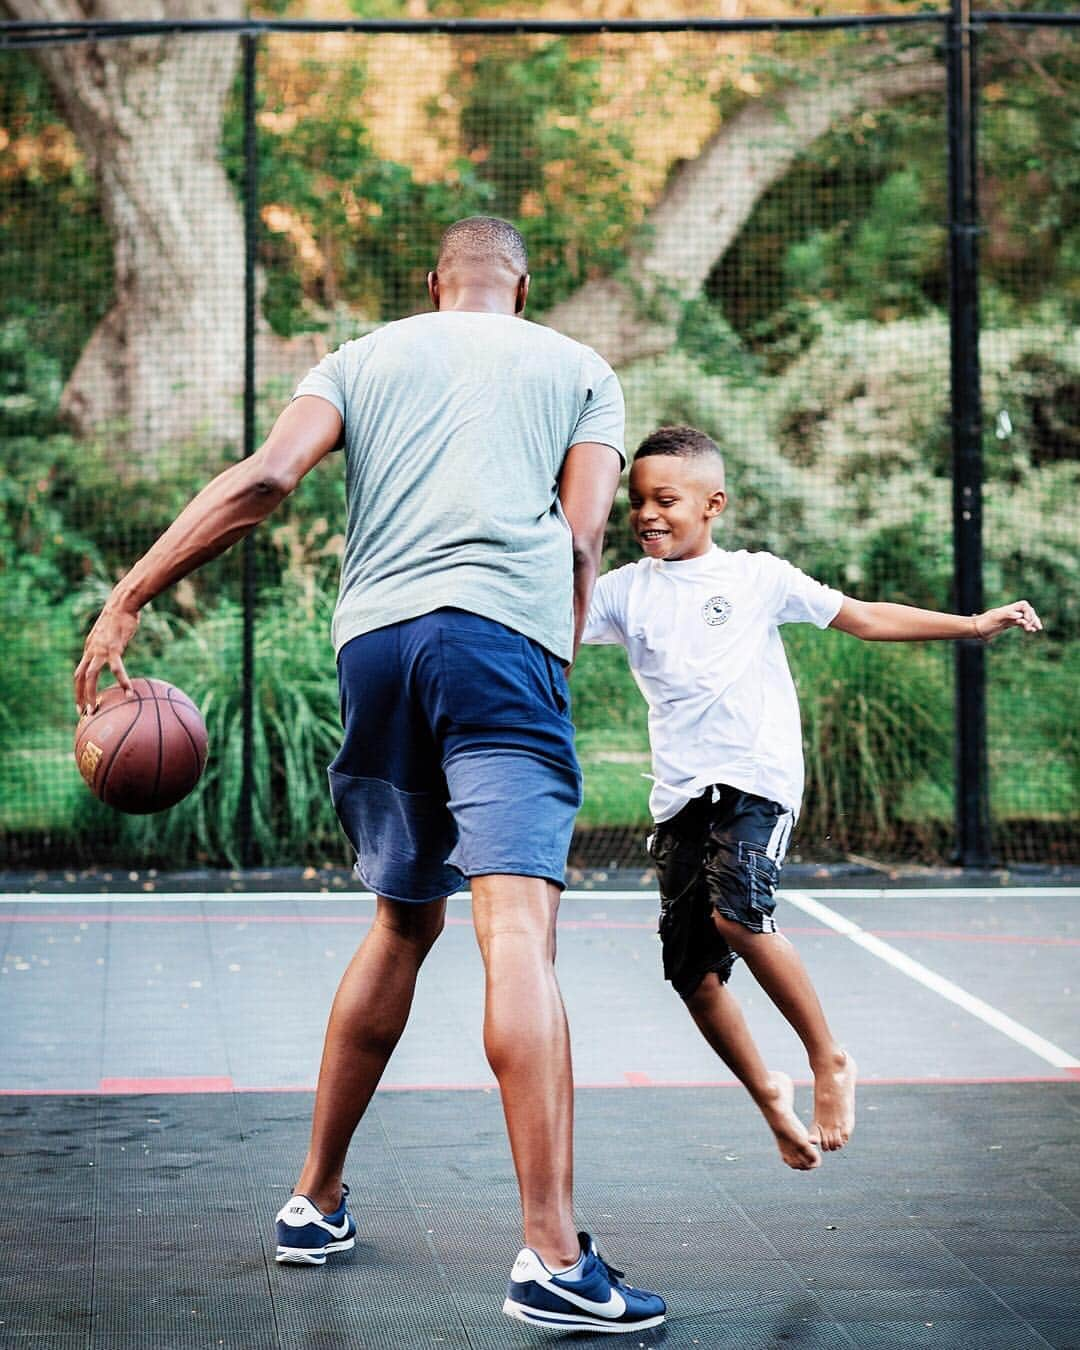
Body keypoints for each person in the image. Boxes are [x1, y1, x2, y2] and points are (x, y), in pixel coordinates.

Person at [73, 217, 666, 1335]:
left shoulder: (360, 357)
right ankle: (551, 1255)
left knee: (404, 922)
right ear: (521, 289)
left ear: (434, 285)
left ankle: (314, 1199)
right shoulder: (581, 371)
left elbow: (267, 477)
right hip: (500, 649)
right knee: (517, 935)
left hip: (378, 649)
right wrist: (558, 648)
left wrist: (130, 594)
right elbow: (583, 539)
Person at [583, 424, 1042, 1172]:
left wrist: (971, 625)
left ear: (713, 503)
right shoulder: (624, 592)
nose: (647, 515)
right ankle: (769, 1094)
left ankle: (828, 1058)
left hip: (755, 780)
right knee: (693, 978)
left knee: (738, 914)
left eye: (665, 499)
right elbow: (549, 627)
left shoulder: (759, 578)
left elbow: (863, 617)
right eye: (636, 502)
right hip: (679, 799)